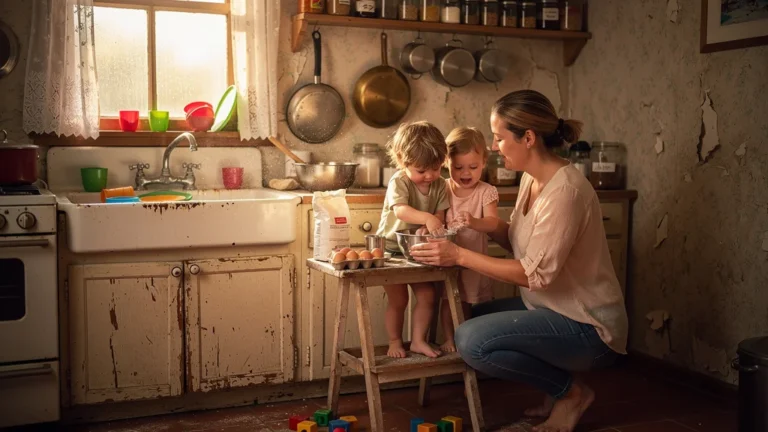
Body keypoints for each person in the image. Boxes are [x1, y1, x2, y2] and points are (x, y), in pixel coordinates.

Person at [409, 90, 629, 432]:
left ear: (528, 138)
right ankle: (556, 391)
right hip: (549, 308)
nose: (494, 147)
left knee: (471, 340)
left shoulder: (565, 192)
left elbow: (533, 275)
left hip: (587, 325)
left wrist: (460, 255)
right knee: (466, 316)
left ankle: (570, 394)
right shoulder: (532, 178)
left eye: (499, 138)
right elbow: (517, 239)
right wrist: (473, 225)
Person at [376, 121, 449, 359]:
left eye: (436, 168)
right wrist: (427, 218)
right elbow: (401, 211)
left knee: (428, 296)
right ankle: (395, 341)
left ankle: (418, 341)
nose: (429, 176)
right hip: (391, 250)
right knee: (399, 300)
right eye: (421, 170)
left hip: (419, 251)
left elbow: (440, 215)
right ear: (402, 161)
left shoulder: (440, 185)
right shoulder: (399, 181)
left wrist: (432, 224)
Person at [440, 127, 500, 353]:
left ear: (484, 162)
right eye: (458, 167)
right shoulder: (443, 188)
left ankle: (463, 339)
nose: (466, 173)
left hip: (473, 260)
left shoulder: (486, 192)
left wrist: (474, 222)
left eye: (473, 167)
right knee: (447, 300)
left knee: (465, 301)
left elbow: (492, 223)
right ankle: (449, 339)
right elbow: (437, 217)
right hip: (447, 259)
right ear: (446, 162)